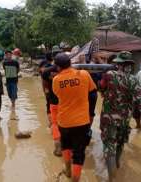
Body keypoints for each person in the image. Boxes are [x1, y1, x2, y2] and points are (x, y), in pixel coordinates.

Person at [99, 51, 141, 182]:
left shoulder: (109, 75)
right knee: (120, 144)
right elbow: (140, 100)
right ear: (130, 65)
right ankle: (117, 165)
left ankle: (111, 178)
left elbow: (101, 88)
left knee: (109, 146)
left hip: (108, 118)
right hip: (124, 119)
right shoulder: (134, 80)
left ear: (118, 64)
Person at [52, 53, 97, 182]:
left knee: (66, 146)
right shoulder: (83, 74)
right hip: (82, 121)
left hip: (64, 121)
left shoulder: (56, 80)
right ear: (70, 63)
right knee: (78, 153)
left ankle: (67, 170)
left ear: (58, 67)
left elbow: (57, 96)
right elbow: (93, 93)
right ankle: (75, 179)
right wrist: (91, 114)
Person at [42, 64, 61, 157]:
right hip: (66, 101)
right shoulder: (67, 70)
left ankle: (57, 142)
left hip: (53, 101)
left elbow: (45, 87)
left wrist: (47, 97)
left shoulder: (46, 71)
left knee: (55, 123)